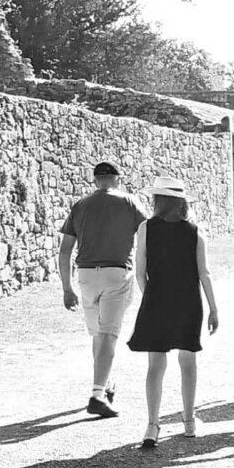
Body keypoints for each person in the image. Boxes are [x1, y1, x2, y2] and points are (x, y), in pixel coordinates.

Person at [127, 181, 219, 448]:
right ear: (181, 202)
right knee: (188, 362)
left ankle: (152, 425)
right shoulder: (195, 232)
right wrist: (213, 308)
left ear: (158, 200)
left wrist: (151, 296)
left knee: (155, 365)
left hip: (156, 300)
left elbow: (139, 271)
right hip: (189, 301)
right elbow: (204, 273)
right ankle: (189, 421)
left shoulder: (145, 229)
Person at [56, 161, 145, 417]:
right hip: (117, 272)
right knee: (108, 334)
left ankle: (105, 384)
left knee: (98, 334)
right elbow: (149, 234)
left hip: (86, 275)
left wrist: (67, 287)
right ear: (118, 179)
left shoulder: (81, 205)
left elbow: (65, 251)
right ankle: (97, 395)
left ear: (95, 180)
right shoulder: (130, 202)